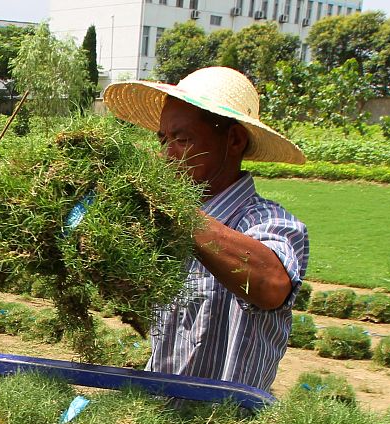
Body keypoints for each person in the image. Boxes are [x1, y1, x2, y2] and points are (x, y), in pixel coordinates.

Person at [102, 66, 309, 392]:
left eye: (182, 140)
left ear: (234, 140)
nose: (166, 155)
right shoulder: (162, 226)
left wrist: (177, 208)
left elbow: (271, 285)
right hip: (155, 413)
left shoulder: (268, 222)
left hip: (224, 419)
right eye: (163, 140)